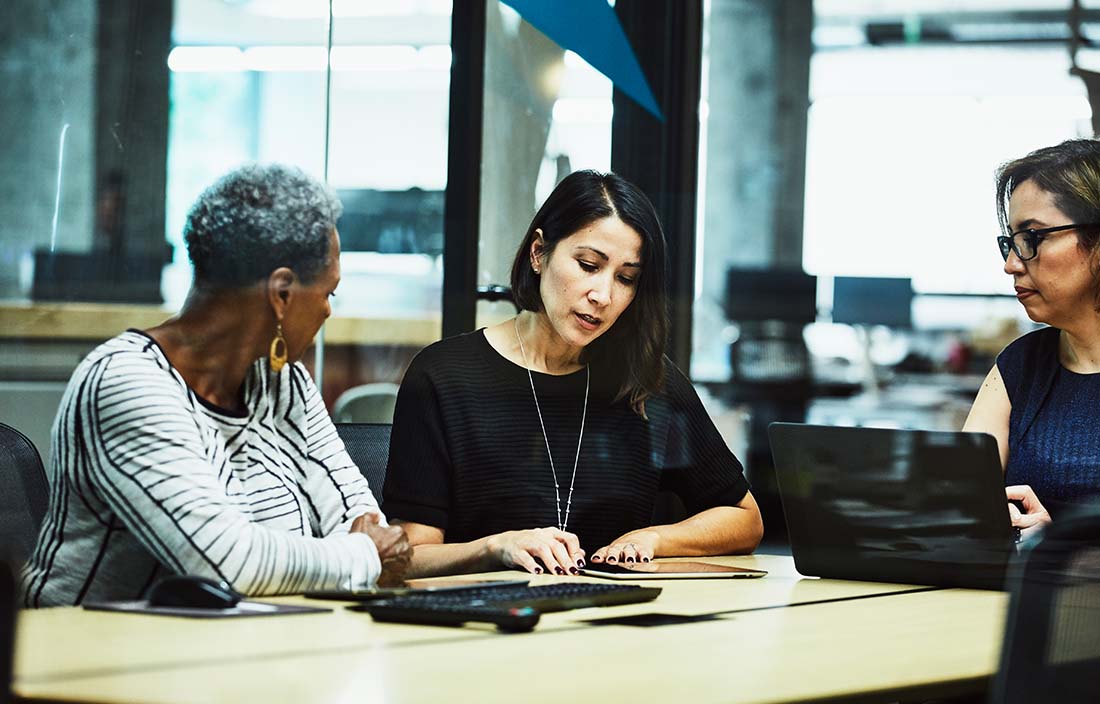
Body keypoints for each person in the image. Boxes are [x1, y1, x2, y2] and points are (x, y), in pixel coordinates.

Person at [21, 164, 410, 607]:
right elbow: (224, 563)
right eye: (328, 293)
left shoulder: (285, 385)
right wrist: (359, 556)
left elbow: (369, 529)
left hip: (239, 651)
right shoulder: (126, 382)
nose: (327, 312)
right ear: (281, 293)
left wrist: (357, 552)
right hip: (86, 659)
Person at [383, 170, 763, 577]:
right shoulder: (444, 376)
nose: (602, 295)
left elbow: (744, 517)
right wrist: (497, 547)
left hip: (615, 622)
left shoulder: (648, 381)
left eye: (626, 278)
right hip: (489, 625)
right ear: (538, 253)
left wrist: (652, 539)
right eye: (587, 265)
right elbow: (408, 557)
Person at [964, 138, 1100, 542]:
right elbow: (956, 500)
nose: (1011, 264)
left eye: (1033, 237)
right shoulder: (1021, 365)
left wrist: (1062, 543)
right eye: (1011, 241)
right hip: (1025, 600)